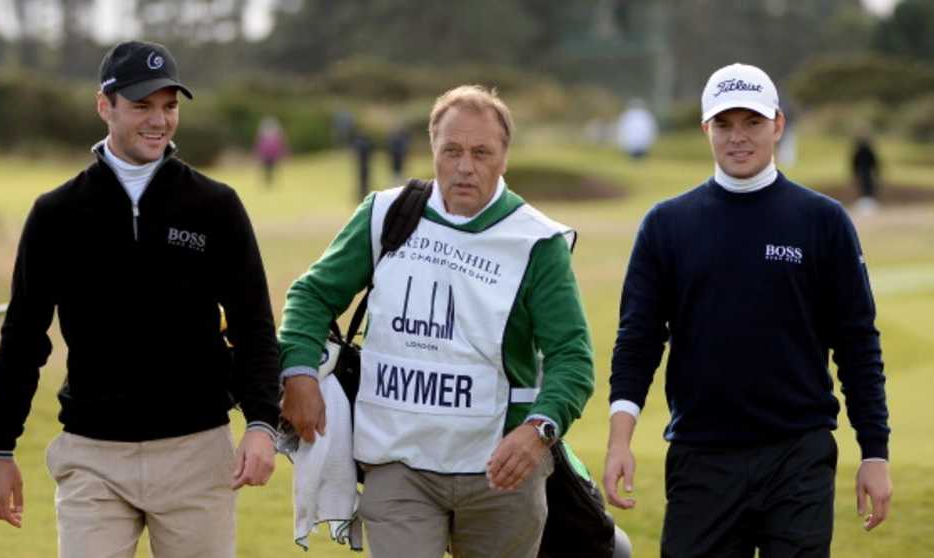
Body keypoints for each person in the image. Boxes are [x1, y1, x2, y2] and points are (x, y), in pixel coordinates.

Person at [0, 40, 281, 558]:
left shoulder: (216, 206)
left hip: (196, 452)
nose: (158, 121)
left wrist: (261, 422)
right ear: (106, 105)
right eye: (142, 105)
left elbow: (254, 324)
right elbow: (24, 336)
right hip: (93, 457)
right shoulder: (56, 214)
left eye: (169, 106)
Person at [278, 85, 594, 558]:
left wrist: (538, 432)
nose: (465, 166)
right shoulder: (385, 214)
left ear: (504, 157)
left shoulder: (537, 243)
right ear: (433, 150)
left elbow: (572, 358)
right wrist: (299, 372)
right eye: (452, 151)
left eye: (481, 152)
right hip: (398, 464)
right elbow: (312, 294)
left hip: (501, 472)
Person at [603, 63, 892, 557]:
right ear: (706, 130)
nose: (738, 137)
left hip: (799, 456)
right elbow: (638, 340)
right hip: (701, 455)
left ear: (777, 125)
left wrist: (875, 453)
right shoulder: (666, 225)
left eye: (752, 123)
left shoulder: (823, 222)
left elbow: (857, 343)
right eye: (724, 124)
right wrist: (619, 441)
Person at [254, 116, 288, 187]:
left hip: (272, 156)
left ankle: (270, 182)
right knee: (267, 170)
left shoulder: (275, 137)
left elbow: (281, 146)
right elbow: (259, 146)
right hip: (266, 156)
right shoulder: (265, 137)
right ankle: (268, 182)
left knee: (271, 169)